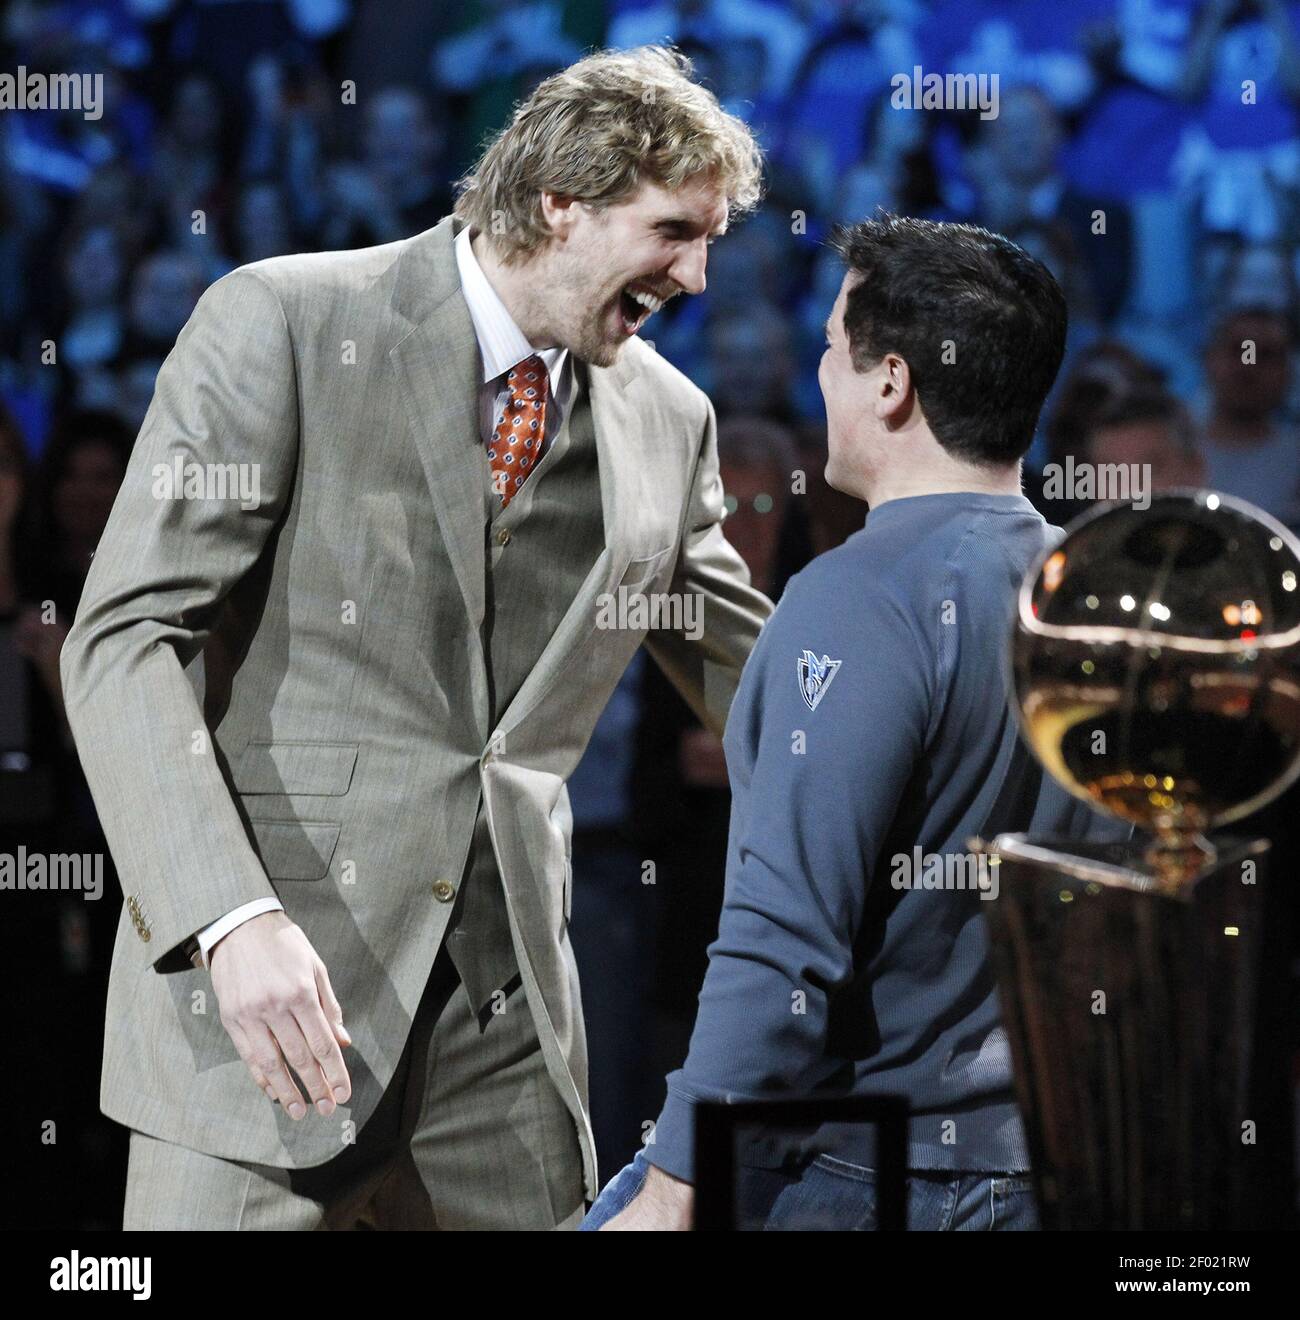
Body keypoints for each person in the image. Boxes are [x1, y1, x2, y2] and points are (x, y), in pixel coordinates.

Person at [59, 45, 772, 1231]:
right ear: (562, 201)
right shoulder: (284, 319)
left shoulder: (668, 416)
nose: (695, 277)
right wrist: (226, 922)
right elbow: (126, 635)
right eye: (672, 232)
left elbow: (759, 684)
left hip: (505, 1039)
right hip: (273, 1001)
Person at [583, 215, 1130, 1232]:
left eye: (834, 348)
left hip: (859, 1168)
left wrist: (673, 1187)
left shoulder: (851, 598)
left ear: (891, 383)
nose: (819, 377)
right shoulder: (1093, 595)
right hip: (1058, 1164)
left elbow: (782, 935)